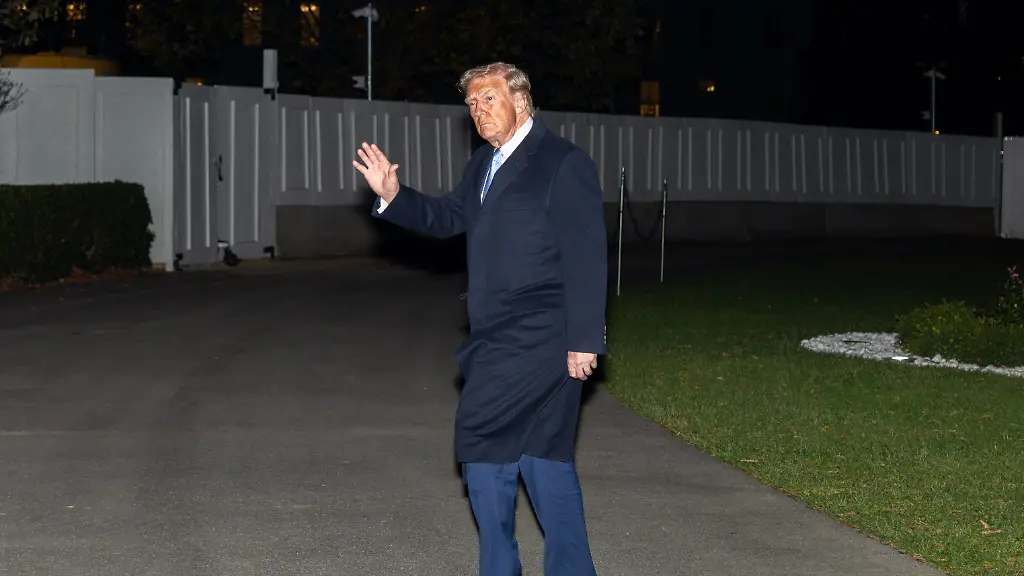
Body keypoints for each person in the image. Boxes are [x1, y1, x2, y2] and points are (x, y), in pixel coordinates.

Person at [352, 62, 607, 576]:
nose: (478, 111)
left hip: (539, 333)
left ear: (521, 98)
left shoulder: (561, 162)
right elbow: (449, 218)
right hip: (499, 333)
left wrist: (584, 339)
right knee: (544, 457)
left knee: (480, 438)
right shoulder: (483, 164)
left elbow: (586, 254)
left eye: (488, 98)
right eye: (471, 103)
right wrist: (392, 195)